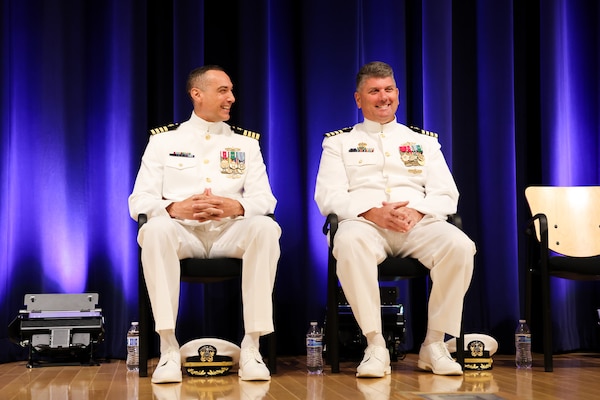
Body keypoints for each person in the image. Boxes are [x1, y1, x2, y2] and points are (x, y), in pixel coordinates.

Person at [314, 61, 475, 378]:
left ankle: (434, 344)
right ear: (359, 99)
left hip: (418, 224)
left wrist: (418, 212)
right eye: (374, 91)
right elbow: (328, 196)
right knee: (347, 240)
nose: (383, 97)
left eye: (388, 89)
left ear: (398, 95)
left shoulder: (424, 142)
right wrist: (372, 212)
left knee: (460, 246)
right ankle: (375, 345)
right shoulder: (338, 142)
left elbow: (447, 195)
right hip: (365, 224)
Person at [129, 65, 280, 383]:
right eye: (223, 91)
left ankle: (252, 347)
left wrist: (236, 205)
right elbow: (138, 202)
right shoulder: (163, 141)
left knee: (266, 228)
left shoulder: (246, 145)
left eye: (231, 91)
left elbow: (266, 201)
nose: (231, 98)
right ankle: (168, 347)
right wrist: (174, 208)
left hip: (229, 232)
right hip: (183, 233)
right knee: (153, 228)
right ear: (197, 94)